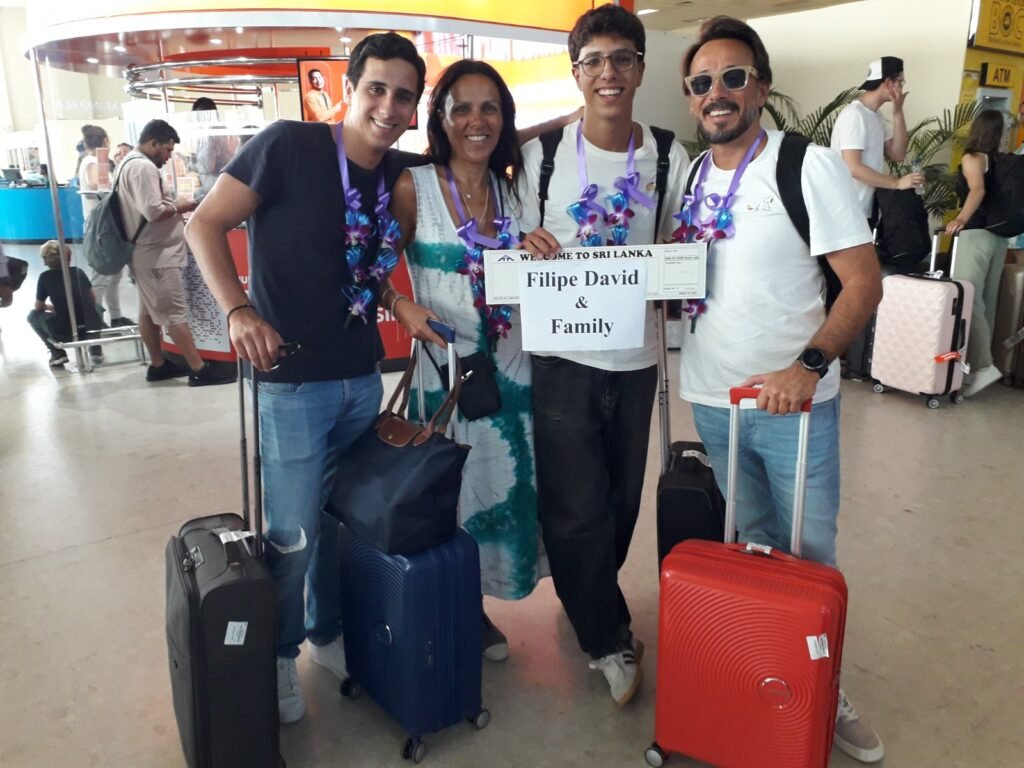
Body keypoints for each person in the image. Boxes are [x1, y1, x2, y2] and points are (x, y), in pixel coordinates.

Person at [185, 32, 430, 725]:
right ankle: (278, 655)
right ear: (347, 89)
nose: (388, 106)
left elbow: (361, 264)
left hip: (361, 378)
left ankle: (326, 633)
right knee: (292, 535)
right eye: (376, 88)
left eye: (403, 96)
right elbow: (203, 225)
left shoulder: (397, 173)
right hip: (289, 381)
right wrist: (237, 309)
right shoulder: (287, 145)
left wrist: (395, 299)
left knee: (341, 523)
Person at [677, 16, 884, 763]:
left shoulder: (807, 165)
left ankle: (824, 692)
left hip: (795, 405)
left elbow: (863, 282)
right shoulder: (693, 177)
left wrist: (810, 365)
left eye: (733, 77)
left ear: (761, 88)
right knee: (749, 548)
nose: (717, 92)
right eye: (702, 82)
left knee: (810, 558)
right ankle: (764, 677)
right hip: (713, 398)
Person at [516, 4, 690, 707]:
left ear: (641, 69)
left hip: (636, 358)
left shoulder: (670, 156)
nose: (608, 73)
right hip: (562, 359)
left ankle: (587, 594)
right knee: (575, 504)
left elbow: (677, 245)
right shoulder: (542, 157)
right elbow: (515, 239)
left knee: (619, 504)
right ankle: (605, 640)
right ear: (576, 73)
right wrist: (525, 243)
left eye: (622, 59)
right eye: (593, 61)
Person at [388, 59, 547, 664]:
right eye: (462, 108)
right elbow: (370, 267)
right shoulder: (415, 187)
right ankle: (454, 605)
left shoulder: (515, 192)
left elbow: (535, 273)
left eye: (490, 108)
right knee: (450, 492)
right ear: (441, 119)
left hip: (511, 375)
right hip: (446, 378)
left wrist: (542, 250)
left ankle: (478, 601)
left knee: (499, 487)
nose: (476, 121)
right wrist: (399, 304)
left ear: (504, 119)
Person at [117, 119, 233, 386]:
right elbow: (153, 211)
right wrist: (182, 205)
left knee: (148, 312)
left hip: (147, 253)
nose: (169, 156)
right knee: (173, 313)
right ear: (153, 143)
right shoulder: (143, 168)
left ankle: (158, 364)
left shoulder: (128, 163)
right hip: (157, 255)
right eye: (167, 150)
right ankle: (199, 368)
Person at [945, 109, 1010, 397]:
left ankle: (983, 366)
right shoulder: (1000, 161)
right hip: (998, 238)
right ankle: (976, 366)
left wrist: (961, 218)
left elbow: (977, 190)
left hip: (975, 236)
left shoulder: (972, 158)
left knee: (967, 298)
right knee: (986, 301)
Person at [830, 55, 924, 222]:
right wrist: (897, 183)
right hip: (847, 210)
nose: (902, 87)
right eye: (901, 82)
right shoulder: (854, 115)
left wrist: (898, 112)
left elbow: (897, 154)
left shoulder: (875, 115)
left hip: (864, 208)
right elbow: (852, 167)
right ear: (888, 82)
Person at [79, 124, 135, 328]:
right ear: (105, 141)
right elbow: (98, 185)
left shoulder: (93, 161)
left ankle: (116, 315)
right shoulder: (93, 162)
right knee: (101, 276)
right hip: (100, 228)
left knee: (114, 275)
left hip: (108, 226)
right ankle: (95, 319)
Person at [25, 240, 104, 366]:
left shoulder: (45, 277)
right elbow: (92, 298)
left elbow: (38, 306)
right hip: (91, 327)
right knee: (97, 307)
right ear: (69, 258)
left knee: (33, 315)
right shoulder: (78, 272)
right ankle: (95, 348)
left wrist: (53, 307)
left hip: (64, 332)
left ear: (45, 261)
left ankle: (57, 353)